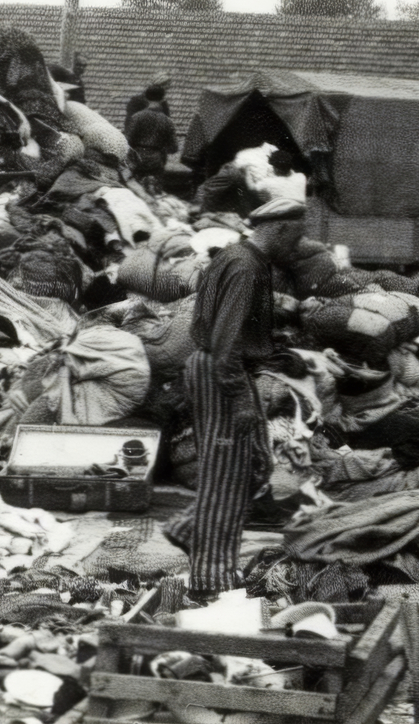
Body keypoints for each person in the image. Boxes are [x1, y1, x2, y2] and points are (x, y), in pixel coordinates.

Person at [166, 197, 306, 601]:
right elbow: (227, 340)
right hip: (222, 372)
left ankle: (188, 530)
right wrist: (241, 397)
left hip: (218, 368)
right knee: (226, 477)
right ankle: (211, 578)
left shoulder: (236, 257)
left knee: (248, 467)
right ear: (278, 230)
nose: (296, 247)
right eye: (295, 237)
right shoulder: (246, 267)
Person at [125, 98, 178, 180]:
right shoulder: (167, 121)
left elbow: (127, 140)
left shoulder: (136, 117)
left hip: (137, 159)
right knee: (155, 187)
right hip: (156, 161)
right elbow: (174, 148)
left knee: (136, 185)